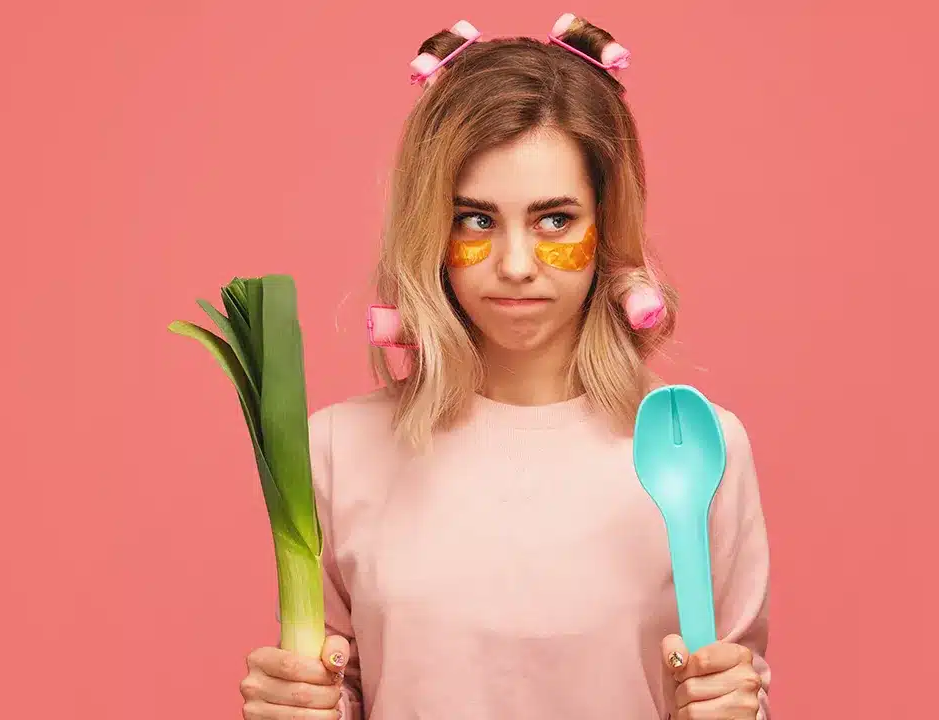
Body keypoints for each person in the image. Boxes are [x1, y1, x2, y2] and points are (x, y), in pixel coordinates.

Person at [239, 13, 771, 720]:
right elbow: (336, 695)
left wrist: (741, 708)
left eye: (555, 221)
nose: (515, 267)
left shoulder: (697, 450)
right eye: (476, 220)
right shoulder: (338, 451)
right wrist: (294, 706)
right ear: (432, 227)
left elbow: (730, 691)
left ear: (605, 225)